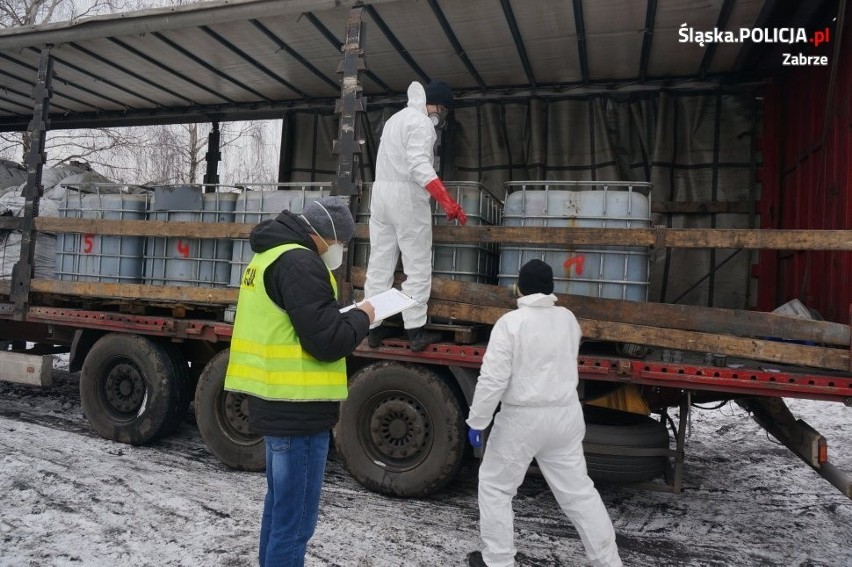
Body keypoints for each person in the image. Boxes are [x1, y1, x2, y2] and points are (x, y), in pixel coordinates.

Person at [223, 196, 374, 567]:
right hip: (299, 413)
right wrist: (364, 318)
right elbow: (326, 342)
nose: (339, 251)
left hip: (274, 403)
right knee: (294, 525)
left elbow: (298, 323)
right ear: (325, 236)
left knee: (279, 514)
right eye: (341, 243)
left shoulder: (268, 255)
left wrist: (337, 316)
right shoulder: (300, 262)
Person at [466, 259, 623, 567]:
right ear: (550, 289)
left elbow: (493, 380)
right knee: (578, 492)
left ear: (520, 288)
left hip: (522, 419)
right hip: (565, 417)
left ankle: (497, 561)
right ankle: (608, 561)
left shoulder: (511, 323)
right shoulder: (568, 319)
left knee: (496, 487)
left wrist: (477, 421)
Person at [364, 79, 468, 352]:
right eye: (442, 108)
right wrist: (446, 200)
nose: (441, 114)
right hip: (406, 197)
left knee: (380, 264)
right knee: (417, 265)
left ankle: (373, 328)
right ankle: (415, 331)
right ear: (432, 103)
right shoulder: (421, 124)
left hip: (381, 195)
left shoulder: (395, 119)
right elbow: (419, 165)